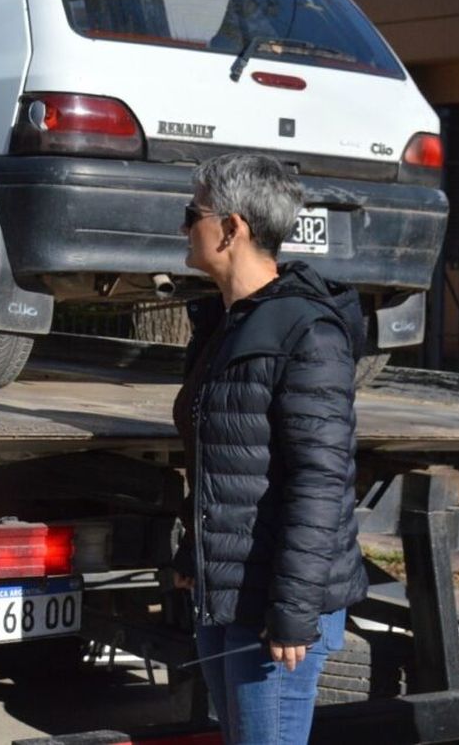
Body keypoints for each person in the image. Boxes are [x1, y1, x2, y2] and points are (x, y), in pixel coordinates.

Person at [170, 152, 369, 745]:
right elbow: (221, 461)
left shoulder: (308, 331)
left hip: (276, 608)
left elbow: (319, 483)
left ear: (231, 229)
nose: (184, 227)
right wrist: (194, 559)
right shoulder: (229, 324)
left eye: (193, 213)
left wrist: (292, 611)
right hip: (228, 589)